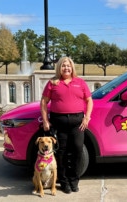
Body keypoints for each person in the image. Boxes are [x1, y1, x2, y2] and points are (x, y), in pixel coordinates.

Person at [40, 56, 93, 194]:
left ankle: (74, 180)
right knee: (61, 153)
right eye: (63, 65)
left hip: (77, 123)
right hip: (59, 122)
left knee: (77, 150)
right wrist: (45, 120)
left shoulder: (80, 82)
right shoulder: (53, 83)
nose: (66, 68)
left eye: (68, 65)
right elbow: (44, 102)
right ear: (59, 68)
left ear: (72, 67)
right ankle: (63, 182)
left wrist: (87, 118)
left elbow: (89, 101)